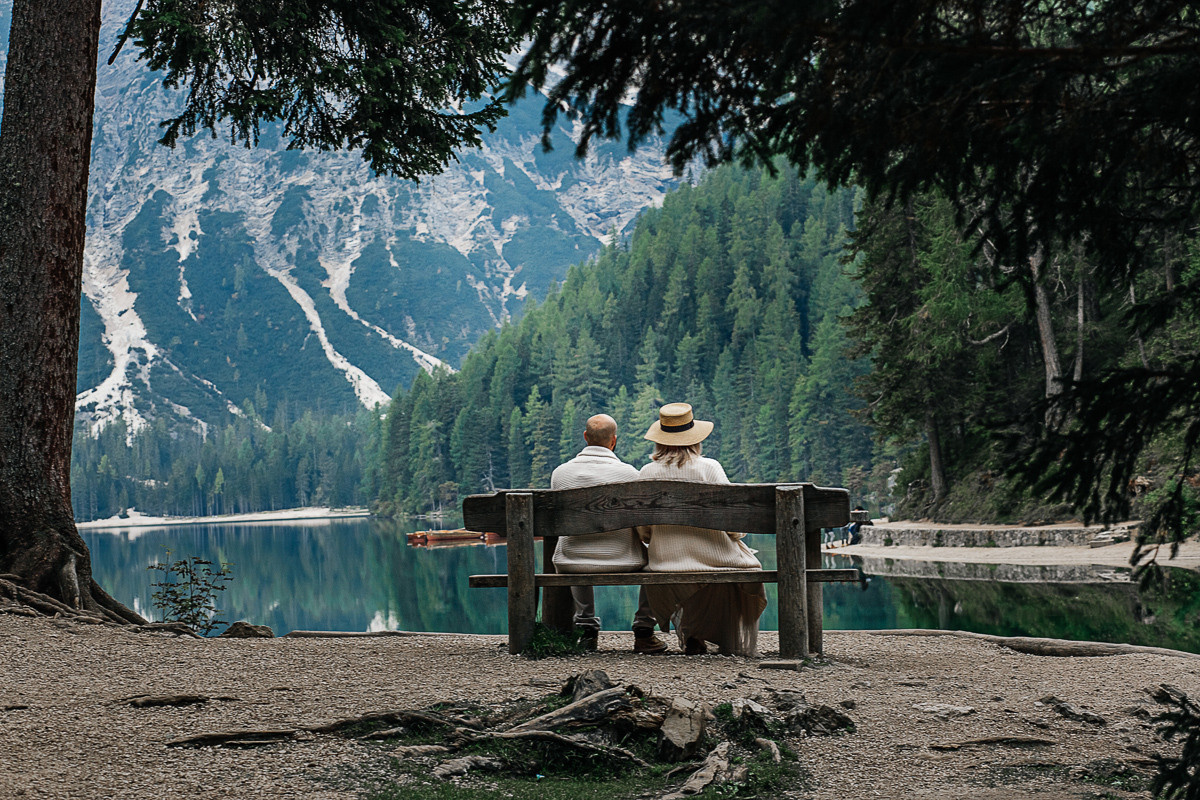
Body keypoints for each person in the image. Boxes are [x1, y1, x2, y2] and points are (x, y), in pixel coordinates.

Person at [636, 403, 767, 657]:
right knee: (733, 566)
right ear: (695, 438)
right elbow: (734, 522)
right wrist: (736, 538)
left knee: (701, 572)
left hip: (667, 560)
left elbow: (644, 532)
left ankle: (694, 635)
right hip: (714, 558)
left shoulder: (646, 473)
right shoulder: (709, 468)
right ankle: (710, 636)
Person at [551, 413, 669, 654]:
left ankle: (586, 628)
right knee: (656, 561)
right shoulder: (630, 475)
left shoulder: (560, 474)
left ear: (585, 437)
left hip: (571, 561)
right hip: (624, 559)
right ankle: (644, 631)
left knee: (575, 550)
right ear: (614, 441)